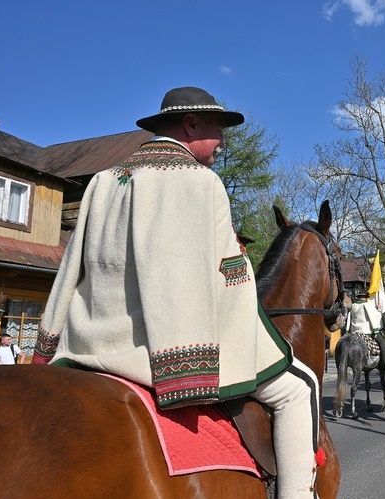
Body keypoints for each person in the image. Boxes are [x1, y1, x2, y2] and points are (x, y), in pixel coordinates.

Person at [32, 87, 322, 498]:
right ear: (190, 124)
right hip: (157, 356)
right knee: (300, 387)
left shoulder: (103, 181)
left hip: (89, 345)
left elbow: (70, 270)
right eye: (219, 130)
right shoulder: (201, 182)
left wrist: (50, 340)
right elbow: (228, 281)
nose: (223, 142)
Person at [345, 290, 385, 367]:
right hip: (367, 332)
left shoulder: (353, 306)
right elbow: (373, 317)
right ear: (366, 298)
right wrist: (379, 311)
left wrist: (347, 331)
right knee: (382, 342)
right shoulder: (368, 305)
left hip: (354, 332)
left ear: (358, 298)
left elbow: (349, 319)